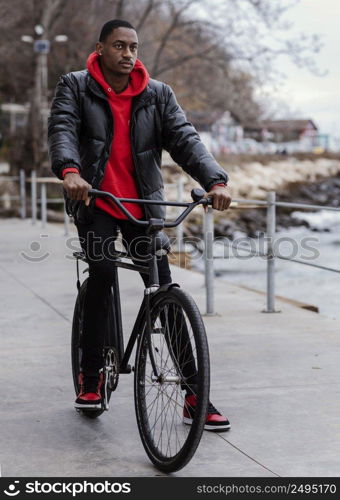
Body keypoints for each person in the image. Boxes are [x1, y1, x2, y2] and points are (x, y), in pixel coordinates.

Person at [48, 19, 232, 431]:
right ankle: (91, 375)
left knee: (164, 290)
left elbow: (185, 139)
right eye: (119, 46)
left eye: (133, 46)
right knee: (102, 271)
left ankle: (193, 394)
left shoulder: (157, 94)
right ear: (100, 49)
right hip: (95, 199)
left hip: (142, 204)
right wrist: (70, 171)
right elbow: (62, 130)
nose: (128, 53)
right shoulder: (75, 86)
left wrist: (214, 181)